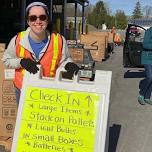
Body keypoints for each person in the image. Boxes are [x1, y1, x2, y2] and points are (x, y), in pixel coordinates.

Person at [2, 2, 79, 104]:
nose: (38, 21)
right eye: (33, 18)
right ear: (28, 21)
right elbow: (6, 60)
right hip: (23, 89)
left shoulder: (59, 40)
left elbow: (64, 60)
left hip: (49, 91)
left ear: (47, 19)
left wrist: (69, 65)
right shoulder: (17, 39)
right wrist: (21, 62)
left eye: (42, 17)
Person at [138, 27, 152, 105]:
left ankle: (147, 97)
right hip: (147, 58)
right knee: (150, 77)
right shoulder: (149, 31)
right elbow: (145, 45)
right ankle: (141, 95)